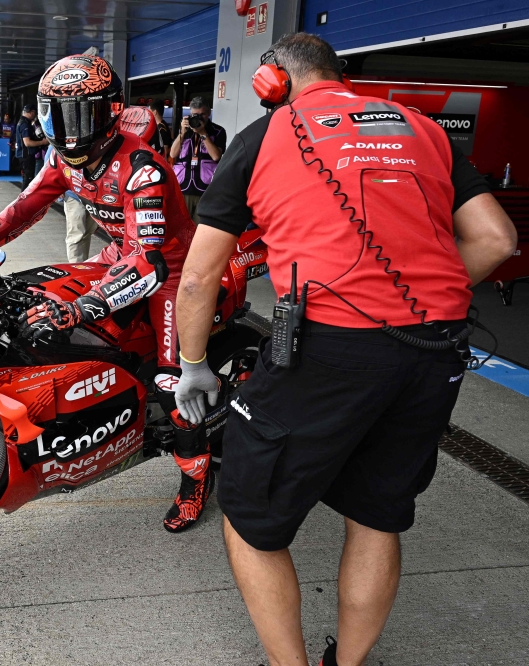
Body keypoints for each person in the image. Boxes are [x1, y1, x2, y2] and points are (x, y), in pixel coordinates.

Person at [173, 33, 518, 666]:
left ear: (272, 81)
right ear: (343, 75)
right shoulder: (424, 129)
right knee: (377, 514)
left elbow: (197, 278)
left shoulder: (263, 136)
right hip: (435, 347)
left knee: (249, 514)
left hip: (326, 347)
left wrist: (193, 365)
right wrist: (413, 295)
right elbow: (497, 238)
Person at [0, 55, 208, 530]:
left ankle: (194, 479)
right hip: (116, 256)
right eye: (57, 113)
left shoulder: (142, 168)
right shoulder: (63, 161)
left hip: (171, 272)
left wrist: (79, 309)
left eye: (79, 114)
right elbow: (24, 208)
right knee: (32, 294)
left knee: (173, 384)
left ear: (108, 111)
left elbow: (150, 261)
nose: (67, 128)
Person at [169, 97, 225, 224]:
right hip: (183, 187)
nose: (199, 118)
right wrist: (182, 133)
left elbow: (216, 156)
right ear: (190, 114)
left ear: (209, 113)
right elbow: (173, 153)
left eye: (202, 115)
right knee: (181, 226)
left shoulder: (218, 131)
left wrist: (203, 133)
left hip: (205, 190)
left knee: (200, 228)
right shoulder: (185, 130)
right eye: (195, 115)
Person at [14, 103, 47, 190]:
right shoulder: (25, 124)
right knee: (28, 179)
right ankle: (23, 200)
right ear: (32, 112)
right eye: (35, 113)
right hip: (26, 155)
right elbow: (27, 143)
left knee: (28, 178)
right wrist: (43, 142)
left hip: (23, 155)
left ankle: (24, 200)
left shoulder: (22, 121)